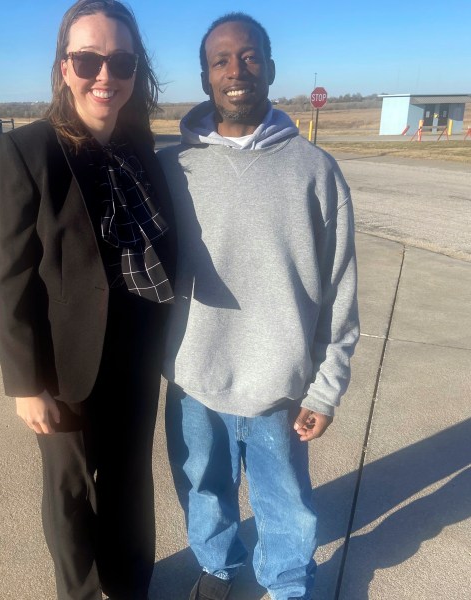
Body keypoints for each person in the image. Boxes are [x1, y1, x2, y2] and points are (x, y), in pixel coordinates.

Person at [157, 12, 359, 600]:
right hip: (196, 378)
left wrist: (326, 387)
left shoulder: (316, 172)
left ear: (269, 68)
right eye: (220, 60)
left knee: (286, 501)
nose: (235, 70)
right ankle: (219, 569)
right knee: (202, 486)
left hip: (281, 384)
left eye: (248, 57)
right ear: (204, 77)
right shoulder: (173, 169)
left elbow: (340, 289)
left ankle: (289, 585)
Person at [0, 2, 175, 599]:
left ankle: (129, 586)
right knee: (72, 492)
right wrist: (24, 383)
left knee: (129, 482)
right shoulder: (27, 152)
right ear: (64, 67)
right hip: (63, 363)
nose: (105, 74)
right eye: (88, 58)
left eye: (120, 60)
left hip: (137, 352)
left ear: (135, 69)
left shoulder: (144, 145)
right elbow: (9, 275)